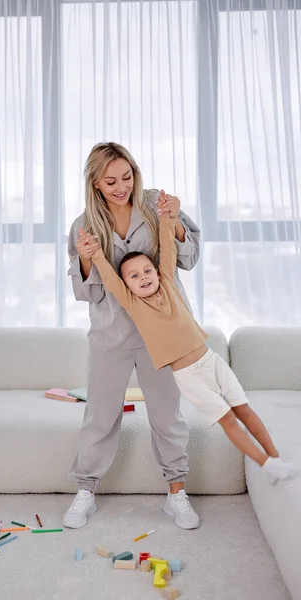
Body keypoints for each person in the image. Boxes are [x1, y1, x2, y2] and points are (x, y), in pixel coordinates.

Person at [81, 190, 298, 485]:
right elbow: (108, 277)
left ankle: (276, 459)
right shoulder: (132, 304)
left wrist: (169, 217)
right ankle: (267, 467)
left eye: (147, 270)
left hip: (212, 361)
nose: (144, 276)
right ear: (127, 286)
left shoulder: (168, 284)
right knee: (229, 421)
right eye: (134, 276)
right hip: (188, 375)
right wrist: (93, 254)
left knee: (245, 410)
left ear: (157, 273)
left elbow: (168, 248)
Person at [64, 142, 201, 530]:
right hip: (111, 333)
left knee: (166, 413)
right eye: (111, 181)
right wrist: (87, 256)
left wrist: (172, 221)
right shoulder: (83, 224)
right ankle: (86, 491)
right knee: (100, 415)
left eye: (127, 176)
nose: (121, 186)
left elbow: (187, 259)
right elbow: (86, 291)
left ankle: (176, 494)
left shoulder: (155, 203)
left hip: (162, 331)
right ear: (94, 183)